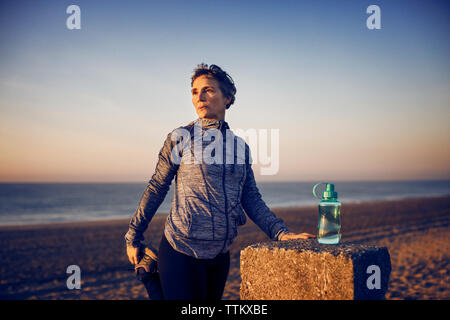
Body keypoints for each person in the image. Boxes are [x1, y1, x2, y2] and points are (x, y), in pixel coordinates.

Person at [125, 63, 315, 300]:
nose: (200, 97)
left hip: (220, 254)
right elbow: (157, 186)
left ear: (228, 98)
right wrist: (134, 235)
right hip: (182, 247)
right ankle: (149, 276)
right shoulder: (181, 138)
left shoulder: (240, 147)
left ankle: (149, 275)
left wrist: (281, 233)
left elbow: (251, 197)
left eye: (208, 90)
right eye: (194, 91)